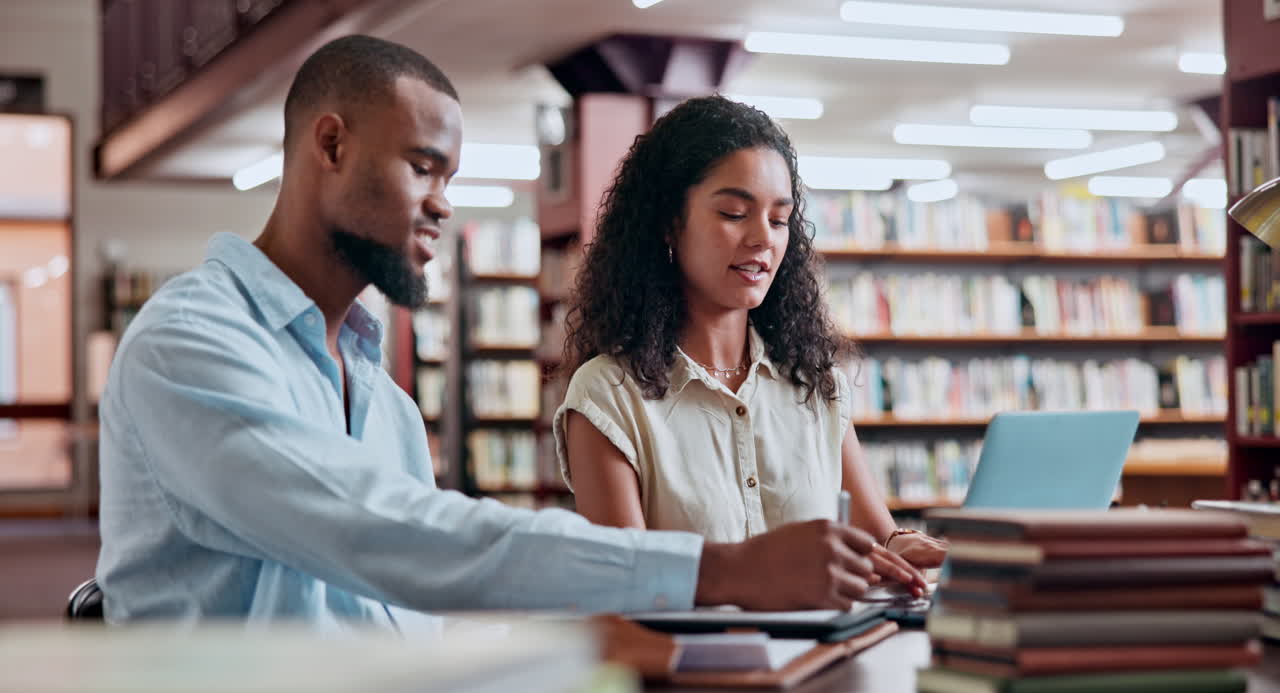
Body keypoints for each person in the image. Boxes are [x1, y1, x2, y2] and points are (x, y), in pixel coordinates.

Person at [95, 35, 885, 625]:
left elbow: (408, 614)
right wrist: (724, 571)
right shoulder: (191, 344)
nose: (442, 203)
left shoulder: (385, 402)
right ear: (330, 145)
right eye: (422, 167)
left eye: (451, 179)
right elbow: (390, 535)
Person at [554, 96, 947, 591]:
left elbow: (877, 537)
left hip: (824, 663)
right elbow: (621, 589)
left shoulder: (815, 383)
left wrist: (905, 549)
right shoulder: (607, 395)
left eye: (779, 220)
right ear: (669, 222)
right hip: (694, 667)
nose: (763, 238)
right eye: (735, 213)